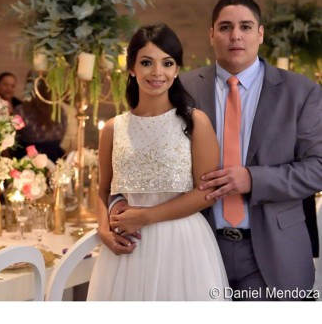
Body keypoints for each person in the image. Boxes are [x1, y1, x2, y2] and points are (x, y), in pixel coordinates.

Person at [112, 0, 322, 301]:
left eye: (246, 27)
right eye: (225, 27)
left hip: (273, 253)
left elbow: (318, 167)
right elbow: (138, 145)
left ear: (260, 33)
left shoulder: (300, 92)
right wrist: (116, 202)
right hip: (194, 247)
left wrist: (253, 179)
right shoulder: (181, 86)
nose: (235, 35)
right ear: (211, 35)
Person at [87, 23, 229, 301]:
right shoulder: (113, 128)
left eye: (167, 63)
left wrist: (146, 217)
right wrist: (103, 230)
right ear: (132, 68)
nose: (157, 72)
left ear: (176, 70)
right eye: (146, 62)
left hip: (182, 244)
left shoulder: (195, 121)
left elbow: (207, 194)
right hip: (127, 249)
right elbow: (103, 190)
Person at [14, 79, 67, 163]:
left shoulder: (22, 110)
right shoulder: (59, 110)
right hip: (53, 155)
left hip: (27, 156)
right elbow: (62, 132)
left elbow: (15, 136)